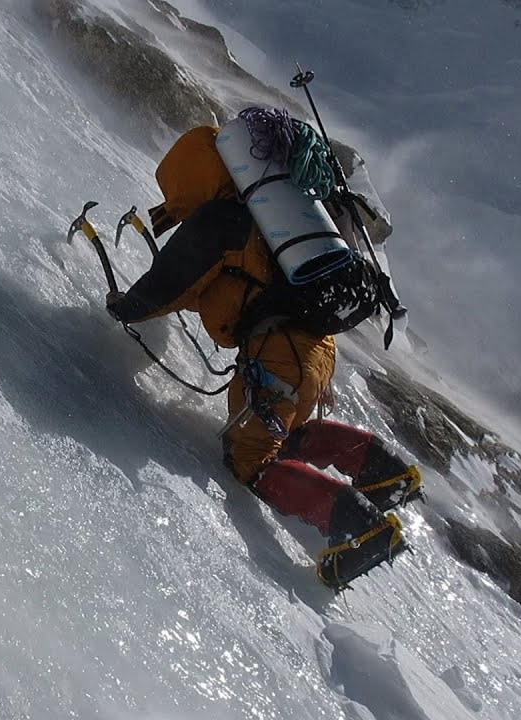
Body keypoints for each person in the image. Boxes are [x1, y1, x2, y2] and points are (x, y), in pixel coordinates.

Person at [104, 124, 422, 589]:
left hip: (278, 360)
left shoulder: (220, 222)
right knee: (284, 435)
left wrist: (123, 309)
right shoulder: (276, 222)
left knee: (252, 460)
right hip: (314, 351)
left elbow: (168, 287)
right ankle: (384, 469)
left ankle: (366, 530)